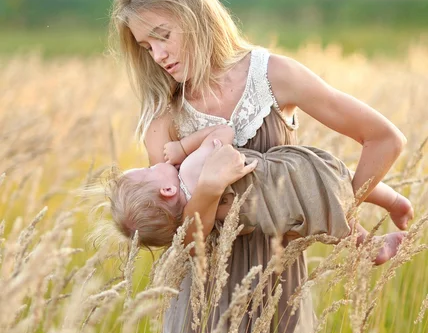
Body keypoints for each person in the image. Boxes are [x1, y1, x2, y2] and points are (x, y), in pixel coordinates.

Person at [110, 0, 412, 333]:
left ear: (197, 14)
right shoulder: (166, 116)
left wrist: (334, 216)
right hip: (204, 294)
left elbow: (384, 139)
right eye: (145, 45)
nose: (157, 55)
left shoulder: (274, 75)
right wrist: (205, 194)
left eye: (163, 34)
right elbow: (183, 238)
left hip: (276, 286)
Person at [108, 123, 412, 266]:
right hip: (285, 180)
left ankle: (369, 245)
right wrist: (184, 146)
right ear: (167, 190)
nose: (153, 165)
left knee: (327, 213)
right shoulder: (189, 169)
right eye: (147, 171)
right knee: (340, 181)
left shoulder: (202, 223)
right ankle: (395, 203)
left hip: (280, 217)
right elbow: (223, 133)